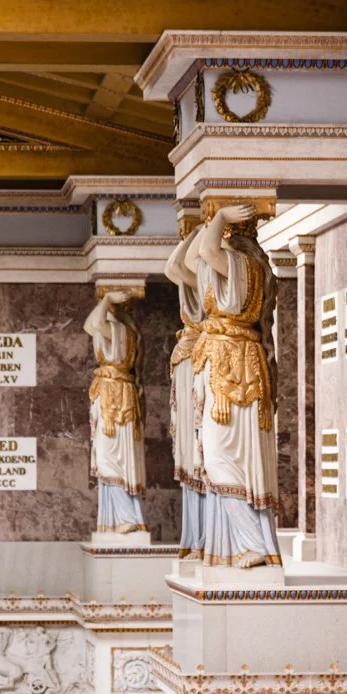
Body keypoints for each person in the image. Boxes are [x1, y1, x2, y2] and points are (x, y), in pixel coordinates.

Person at [188, 203, 281, 569]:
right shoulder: (225, 266)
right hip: (225, 363)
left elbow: (207, 250)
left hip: (236, 373)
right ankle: (238, 545)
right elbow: (191, 259)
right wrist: (207, 221)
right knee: (216, 459)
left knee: (223, 460)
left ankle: (253, 544)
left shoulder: (245, 265)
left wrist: (219, 216)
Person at [85, 288, 147, 535]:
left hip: (117, 399)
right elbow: (89, 325)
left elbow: (96, 323)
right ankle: (115, 519)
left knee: (112, 459)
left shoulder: (120, 331)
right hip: (111, 393)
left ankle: (127, 517)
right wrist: (105, 301)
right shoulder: (114, 329)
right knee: (107, 458)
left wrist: (107, 299)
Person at [165, 224, 206, 559]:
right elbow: (173, 266)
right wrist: (196, 229)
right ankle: (195, 538)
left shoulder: (212, 280)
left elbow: (176, 266)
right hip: (189, 357)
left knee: (199, 454)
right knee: (189, 454)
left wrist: (203, 227)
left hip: (200, 359)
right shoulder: (202, 278)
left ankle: (203, 540)